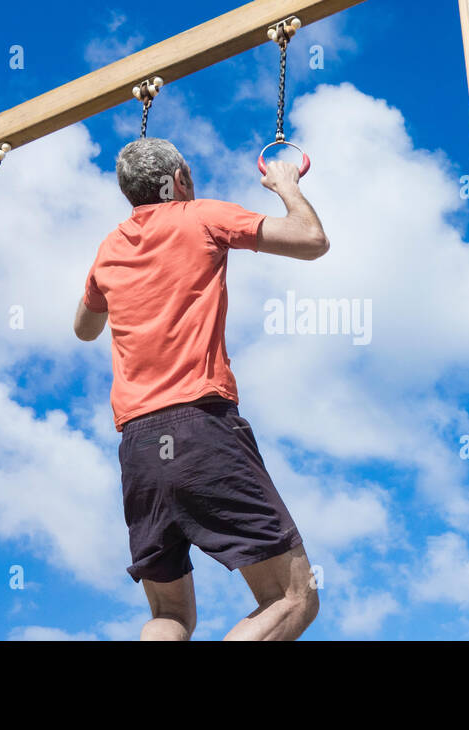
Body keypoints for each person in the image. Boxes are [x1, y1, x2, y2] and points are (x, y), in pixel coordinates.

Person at [73, 137, 329, 640]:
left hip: (139, 449)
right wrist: (286, 186)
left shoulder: (109, 248)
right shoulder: (200, 215)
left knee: (169, 615)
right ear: (181, 179)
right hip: (199, 430)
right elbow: (311, 239)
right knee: (292, 597)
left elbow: (84, 327)